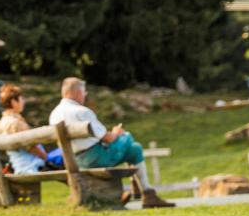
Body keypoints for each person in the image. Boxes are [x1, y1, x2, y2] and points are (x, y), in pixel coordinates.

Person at [48, 77, 175, 208]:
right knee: (127, 136)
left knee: (135, 149)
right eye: (84, 92)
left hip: (74, 161)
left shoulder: (54, 114)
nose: (85, 95)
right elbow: (108, 138)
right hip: (95, 159)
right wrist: (117, 132)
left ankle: (145, 192)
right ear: (79, 93)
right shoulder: (81, 111)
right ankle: (145, 192)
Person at [0, 83, 48, 174]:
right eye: (21, 99)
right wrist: (45, 157)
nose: (23, 102)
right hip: (30, 165)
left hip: (17, 163)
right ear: (13, 101)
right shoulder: (16, 123)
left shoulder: (2, 121)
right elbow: (30, 147)